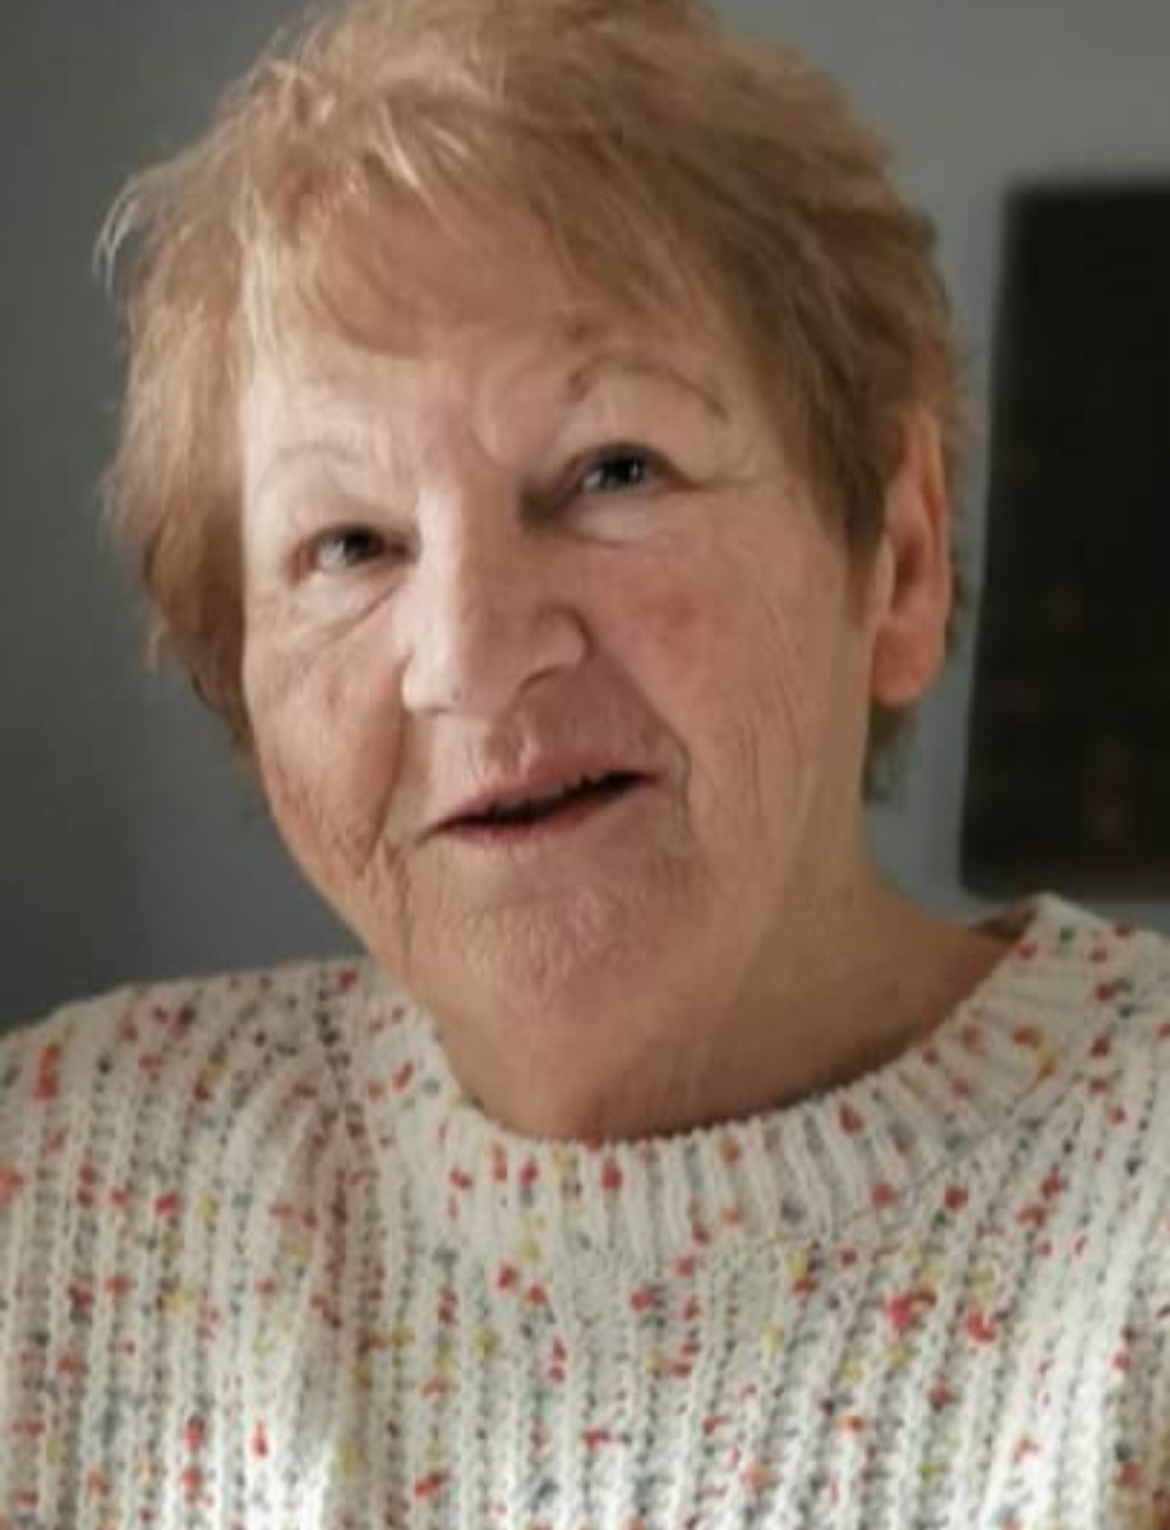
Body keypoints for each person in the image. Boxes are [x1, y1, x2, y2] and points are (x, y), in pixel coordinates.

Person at [2, 0, 1168, 1523]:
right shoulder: (59, 1183)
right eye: (350, 544)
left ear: (897, 559)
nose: (471, 654)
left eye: (612, 469)